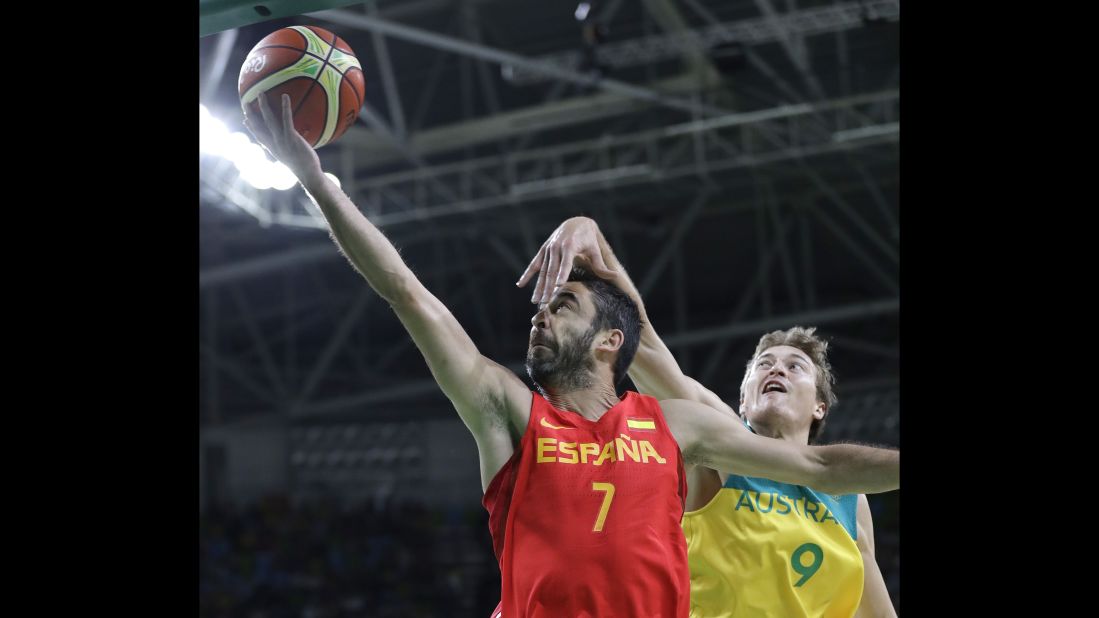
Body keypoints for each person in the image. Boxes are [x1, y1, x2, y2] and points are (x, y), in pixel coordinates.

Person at [246, 94, 900, 618]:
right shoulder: (508, 411)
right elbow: (408, 295)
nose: (538, 317)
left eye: (559, 308)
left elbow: (817, 463)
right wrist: (316, 183)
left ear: (610, 342)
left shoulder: (672, 426)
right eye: (538, 311)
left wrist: (594, 240)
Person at [518, 216, 898, 617]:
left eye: (795, 367)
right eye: (764, 365)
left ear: (820, 405)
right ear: (743, 401)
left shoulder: (849, 499)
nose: (777, 370)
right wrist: (590, 234)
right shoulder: (718, 442)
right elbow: (644, 345)